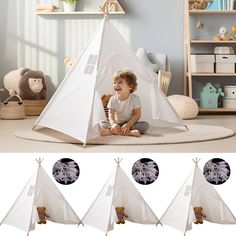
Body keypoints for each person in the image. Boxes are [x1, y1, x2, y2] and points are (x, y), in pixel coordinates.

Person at [99, 69, 149, 137]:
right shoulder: (113, 99)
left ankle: (111, 131)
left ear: (130, 86)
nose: (116, 85)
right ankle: (129, 133)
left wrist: (128, 124)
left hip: (130, 123)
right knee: (101, 123)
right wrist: (113, 124)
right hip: (117, 123)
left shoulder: (135, 98)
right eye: (114, 82)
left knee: (145, 125)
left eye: (120, 82)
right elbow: (110, 114)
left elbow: (137, 115)